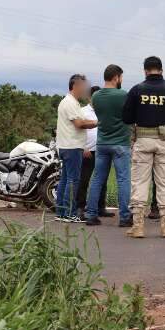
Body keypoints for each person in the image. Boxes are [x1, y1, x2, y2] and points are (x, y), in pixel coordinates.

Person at [122, 56, 165, 238]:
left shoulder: (136, 90)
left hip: (142, 139)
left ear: (145, 70)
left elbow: (126, 118)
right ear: (162, 70)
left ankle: (138, 226)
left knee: (140, 182)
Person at [86, 65, 133, 227]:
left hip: (102, 142)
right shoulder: (123, 95)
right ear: (116, 77)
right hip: (121, 143)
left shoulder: (96, 96)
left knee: (97, 179)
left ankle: (91, 214)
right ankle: (125, 217)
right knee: (123, 179)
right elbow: (130, 116)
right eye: (121, 77)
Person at [55, 74, 97, 222]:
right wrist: (97, 123)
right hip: (72, 146)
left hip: (66, 146)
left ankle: (61, 212)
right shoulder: (70, 103)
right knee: (73, 180)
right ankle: (70, 213)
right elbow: (79, 123)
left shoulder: (70, 102)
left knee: (65, 179)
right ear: (76, 86)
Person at [76, 86, 112, 220]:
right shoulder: (82, 111)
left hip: (103, 149)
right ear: (90, 97)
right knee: (84, 180)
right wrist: (83, 147)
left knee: (103, 180)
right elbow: (77, 130)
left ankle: (100, 207)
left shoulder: (104, 111)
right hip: (87, 151)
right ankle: (80, 207)